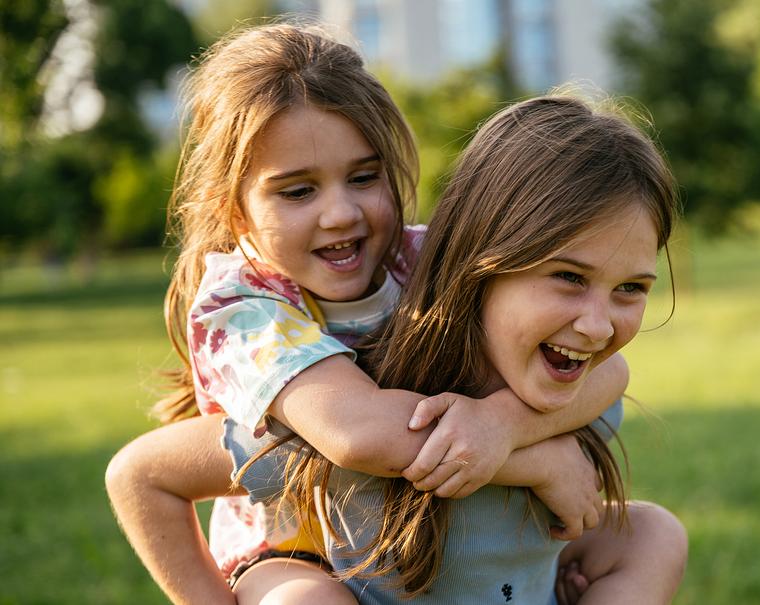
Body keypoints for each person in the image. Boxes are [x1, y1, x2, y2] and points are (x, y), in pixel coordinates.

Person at [120, 22, 635, 604]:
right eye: (297, 191)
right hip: (299, 548)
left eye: (364, 177)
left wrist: (504, 425)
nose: (340, 213)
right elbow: (358, 434)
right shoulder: (243, 306)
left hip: (422, 525)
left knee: (650, 538)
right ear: (233, 210)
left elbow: (608, 372)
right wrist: (537, 459)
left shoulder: (418, 259)